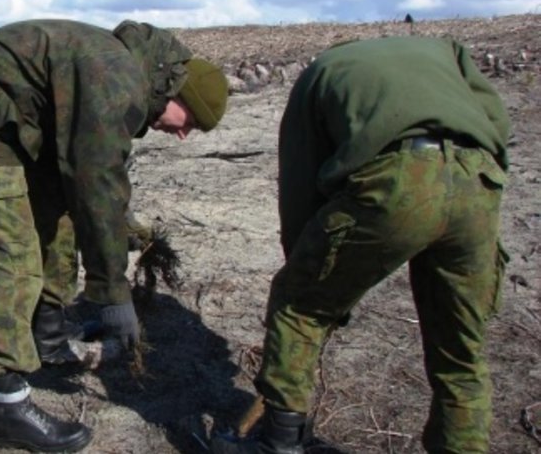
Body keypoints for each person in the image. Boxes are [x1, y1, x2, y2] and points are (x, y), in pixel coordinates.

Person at [0, 18, 229, 452]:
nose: (181, 135)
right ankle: (9, 404)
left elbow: (95, 180)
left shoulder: (127, 75)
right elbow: (96, 182)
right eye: (189, 123)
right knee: (12, 253)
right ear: (178, 95)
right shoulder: (117, 78)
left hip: (23, 124)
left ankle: (47, 332)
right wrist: (112, 293)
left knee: (57, 219)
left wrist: (128, 228)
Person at [212, 36, 510, 454]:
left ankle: (278, 442)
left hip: (396, 179)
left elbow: (300, 186)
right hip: (479, 178)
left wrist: (315, 282)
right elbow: (496, 119)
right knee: (460, 350)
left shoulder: (322, 72)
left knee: (298, 304)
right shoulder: (444, 49)